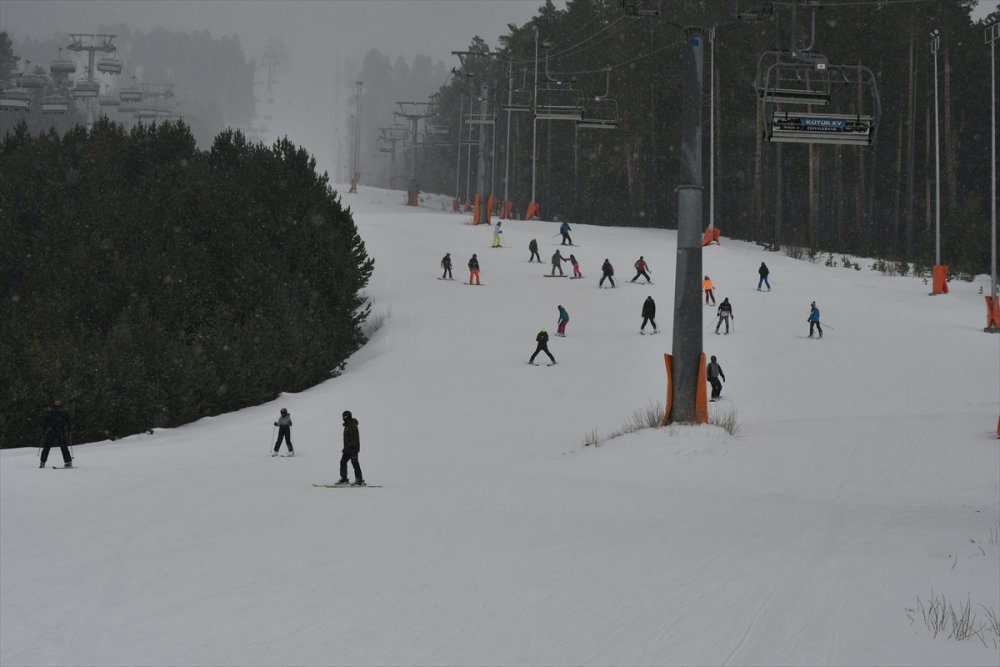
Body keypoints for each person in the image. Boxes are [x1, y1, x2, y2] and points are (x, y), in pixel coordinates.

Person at [40, 398, 72, 468]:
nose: (57, 402)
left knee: (64, 447)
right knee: (46, 447)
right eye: (56, 401)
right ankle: (42, 462)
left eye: (58, 401)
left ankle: (68, 462)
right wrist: (44, 429)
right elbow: (45, 421)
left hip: (60, 430)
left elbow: (68, 420)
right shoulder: (50, 410)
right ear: (54, 402)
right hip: (51, 430)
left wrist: (69, 429)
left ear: (60, 402)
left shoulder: (64, 410)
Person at [337, 410, 364, 486]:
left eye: (345, 417)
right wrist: (345, 448)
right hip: (347, 449)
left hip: (353, 449)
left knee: (355, 463)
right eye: (343, 417)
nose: (344, 418)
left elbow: (355, 438)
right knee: (342, 462)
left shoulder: (352, 425)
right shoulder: (347, 426)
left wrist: (352, 447)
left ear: (349, 417)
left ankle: (359, 480)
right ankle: (344, 479)